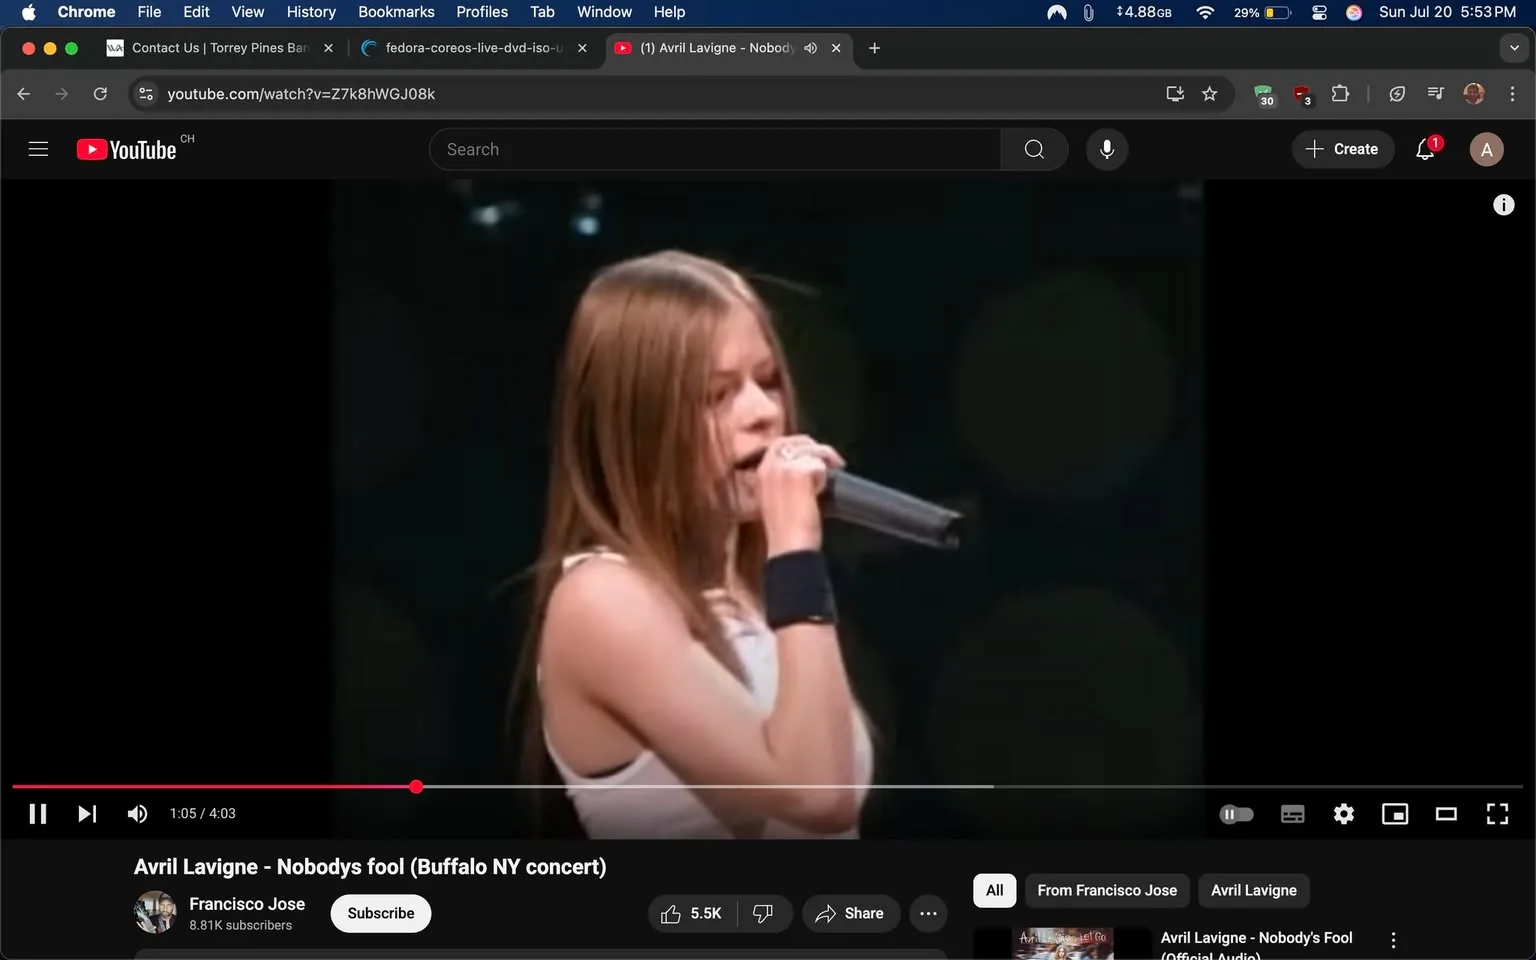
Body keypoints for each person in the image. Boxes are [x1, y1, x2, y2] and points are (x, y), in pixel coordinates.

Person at [509, 250, 874, 839]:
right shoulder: (603, 599)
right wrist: (796, 552)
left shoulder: (754, 591)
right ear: (640, 425)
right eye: (717, 395)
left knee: (1061, 938)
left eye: (769, 381)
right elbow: (816, 796)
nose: (763, 414)